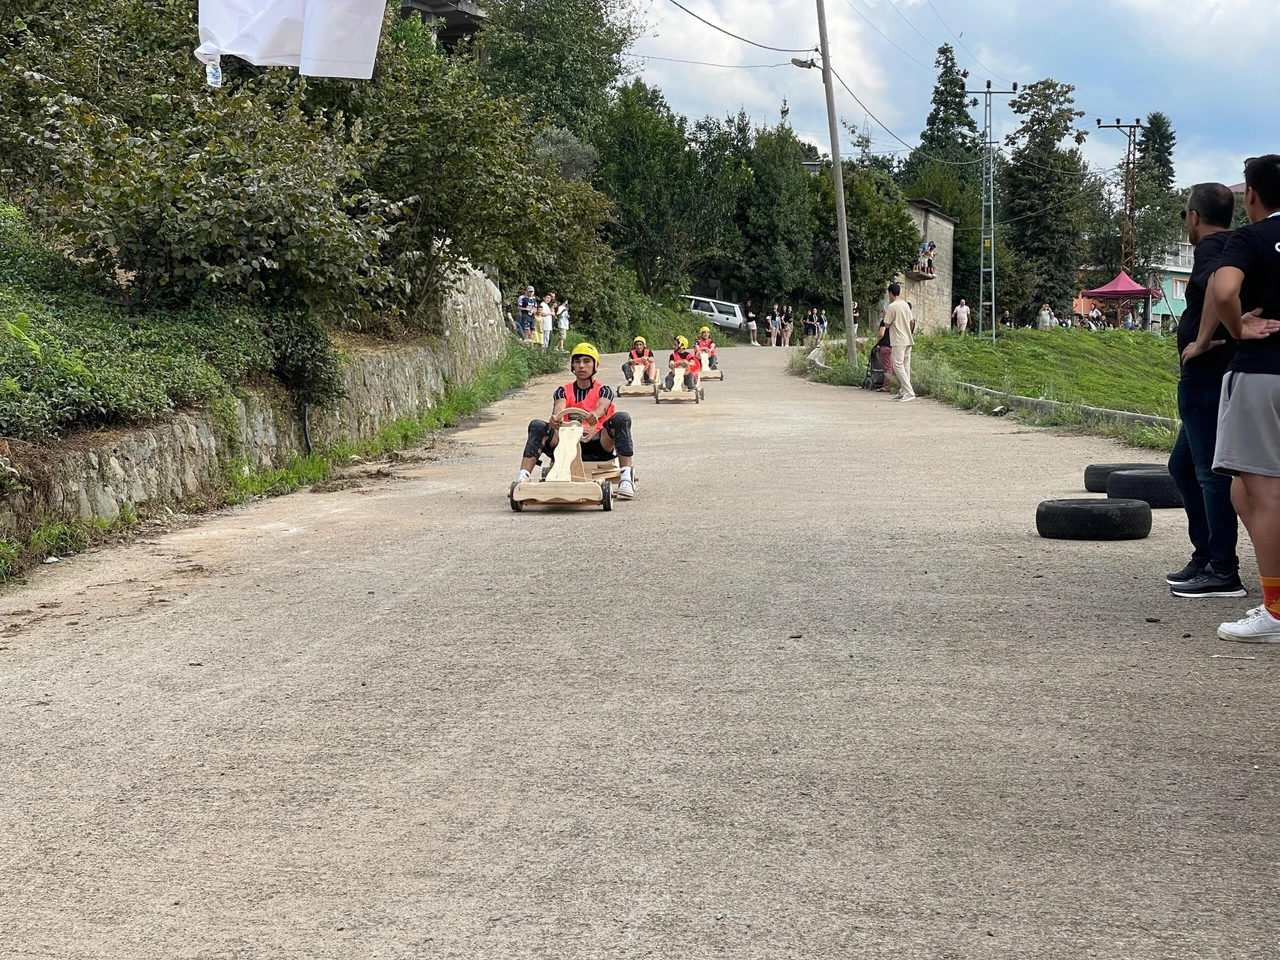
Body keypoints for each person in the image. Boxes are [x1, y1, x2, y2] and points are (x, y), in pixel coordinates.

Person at [1209, 155, 1280, 642]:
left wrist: (1238, 328)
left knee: (1262, 492)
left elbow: (1225, 288)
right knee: (1242, 489)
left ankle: (1275, 611)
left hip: (1263, 374)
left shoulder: (1249, 237)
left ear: (1250, 195)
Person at [1166, 183, 1245, 599]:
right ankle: (1204, 556)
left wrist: (1200, 339)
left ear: (1195, 217)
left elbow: (1219, 285)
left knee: (1210, 473)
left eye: (1184, 215)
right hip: (1213, 378)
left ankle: (1222, 569)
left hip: (1206, 377)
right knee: (1182, 467)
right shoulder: (1236, 245)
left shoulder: (1212, 250)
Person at [515, 342, 635, 500]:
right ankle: (522, 478)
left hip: (596, 443)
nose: (581, 366)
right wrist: (555, 418)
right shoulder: (562, 391)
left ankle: (626, 477)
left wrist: (596, 415)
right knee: (537, 426)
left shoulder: (604, 389)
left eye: (586, 361)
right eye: (577, 362)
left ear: (595, 365)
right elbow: (559, 407)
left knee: (622, 418)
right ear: (572, 365)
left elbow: (603, 405)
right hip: (566, 443)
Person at [884, 282, 916, 402]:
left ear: (890, 293)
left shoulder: (892, 307)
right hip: (908, 338)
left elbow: (886, 324)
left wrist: (885, 314)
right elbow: (911, 321)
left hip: (898, 339)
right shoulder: (905, 305)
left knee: (897, 365)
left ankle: (909, 391)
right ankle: (903, 391)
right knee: (905, 365)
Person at [875, 309, 894, 392]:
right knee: (893, 366)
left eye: (883, 311)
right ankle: (894, 384)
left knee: (887, 367)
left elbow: (881, 333)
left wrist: (877, 341)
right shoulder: (894, 321)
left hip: (885, 346)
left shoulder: (885, 321)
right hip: (894, 345)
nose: (882, 313)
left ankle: (887, 386)